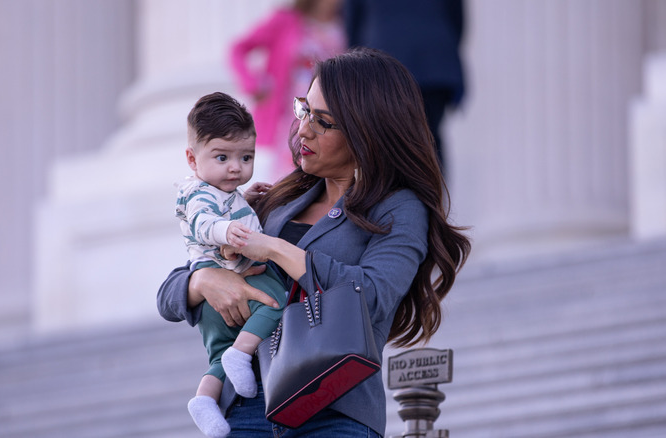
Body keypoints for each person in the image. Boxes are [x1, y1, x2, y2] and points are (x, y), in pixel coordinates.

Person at [158, 48, 471, 437]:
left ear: (367, 131)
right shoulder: (277, 200)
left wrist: (275, 249)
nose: (303, 129)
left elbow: (371, 296)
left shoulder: (398, 209)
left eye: (322, 122)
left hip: (333, 411)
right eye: (304, 109)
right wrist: (202, 283)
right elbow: (169, 294)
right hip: (245, 408)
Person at [176, 92, 287, 438]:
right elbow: (203, 224)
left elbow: (224, 209)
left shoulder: (224, 193)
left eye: (246, 157)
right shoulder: (198, 194)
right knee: (276, 300)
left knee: (218, 357)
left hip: (215, 301)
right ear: (193, 160)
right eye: (222, 157)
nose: (235, 167)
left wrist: (247, 202)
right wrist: (231, 233)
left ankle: (205, 399)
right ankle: (243, 354)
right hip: (227, 282)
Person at [344, 0, 466, 177]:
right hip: (433, 64)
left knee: (385, 142)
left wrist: (355, 66)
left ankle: (396, 202)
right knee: (429, 140)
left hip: (384, 58)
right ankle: (432, 202)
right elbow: (456, 19)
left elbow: (353, 22)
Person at [229, 0, 346, 181]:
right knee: (291, 167)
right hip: (292, 111)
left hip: (331, 112)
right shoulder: (286, 20)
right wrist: (253, 84)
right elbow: (238, 48)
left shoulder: (349, 22)